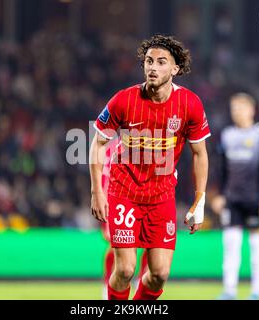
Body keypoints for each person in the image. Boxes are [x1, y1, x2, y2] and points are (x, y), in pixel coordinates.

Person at [89, 35, 210, 300]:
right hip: (124, 192)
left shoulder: (190, 104)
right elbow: (97, 144)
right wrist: (97, 192)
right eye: (148, 61)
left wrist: (199, 200)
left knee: (159, 274)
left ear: (175, 69)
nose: (152, 67)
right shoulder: (123, 100)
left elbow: (200, 153)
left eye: (161, 62)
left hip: (161, 196)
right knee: (125, 269)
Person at [211, 93, 259, 300]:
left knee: (257, 244)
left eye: (240, 107)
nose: (236, 112)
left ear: (251, 110)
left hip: (255, 198)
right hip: (231, 199)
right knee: (230, 245)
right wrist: (219, 194)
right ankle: (229, 290)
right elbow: (221, 168)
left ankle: (258, 290)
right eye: (233, 108)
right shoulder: (226, 135)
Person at [100, 138, 148, 299]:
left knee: (151, 244)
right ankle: (108, 283)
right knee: (116, 244)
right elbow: (104, 177)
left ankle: (140, 280)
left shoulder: (147, 142)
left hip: (145, 200)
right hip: (116, 201)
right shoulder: (110, 147)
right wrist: (103, 201)